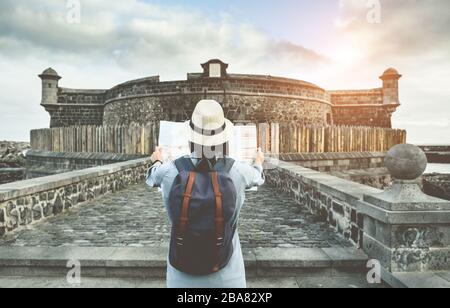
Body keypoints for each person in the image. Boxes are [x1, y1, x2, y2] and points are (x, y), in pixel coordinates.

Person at [146, 99, 265, 288]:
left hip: (181, 275)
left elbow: (151, 177)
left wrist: (157, 160)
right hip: (228, 274)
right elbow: (258, 176)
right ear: (224, 138)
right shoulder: (238, 171)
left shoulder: (170, 171)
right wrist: (258, 160)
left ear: (191, 137)